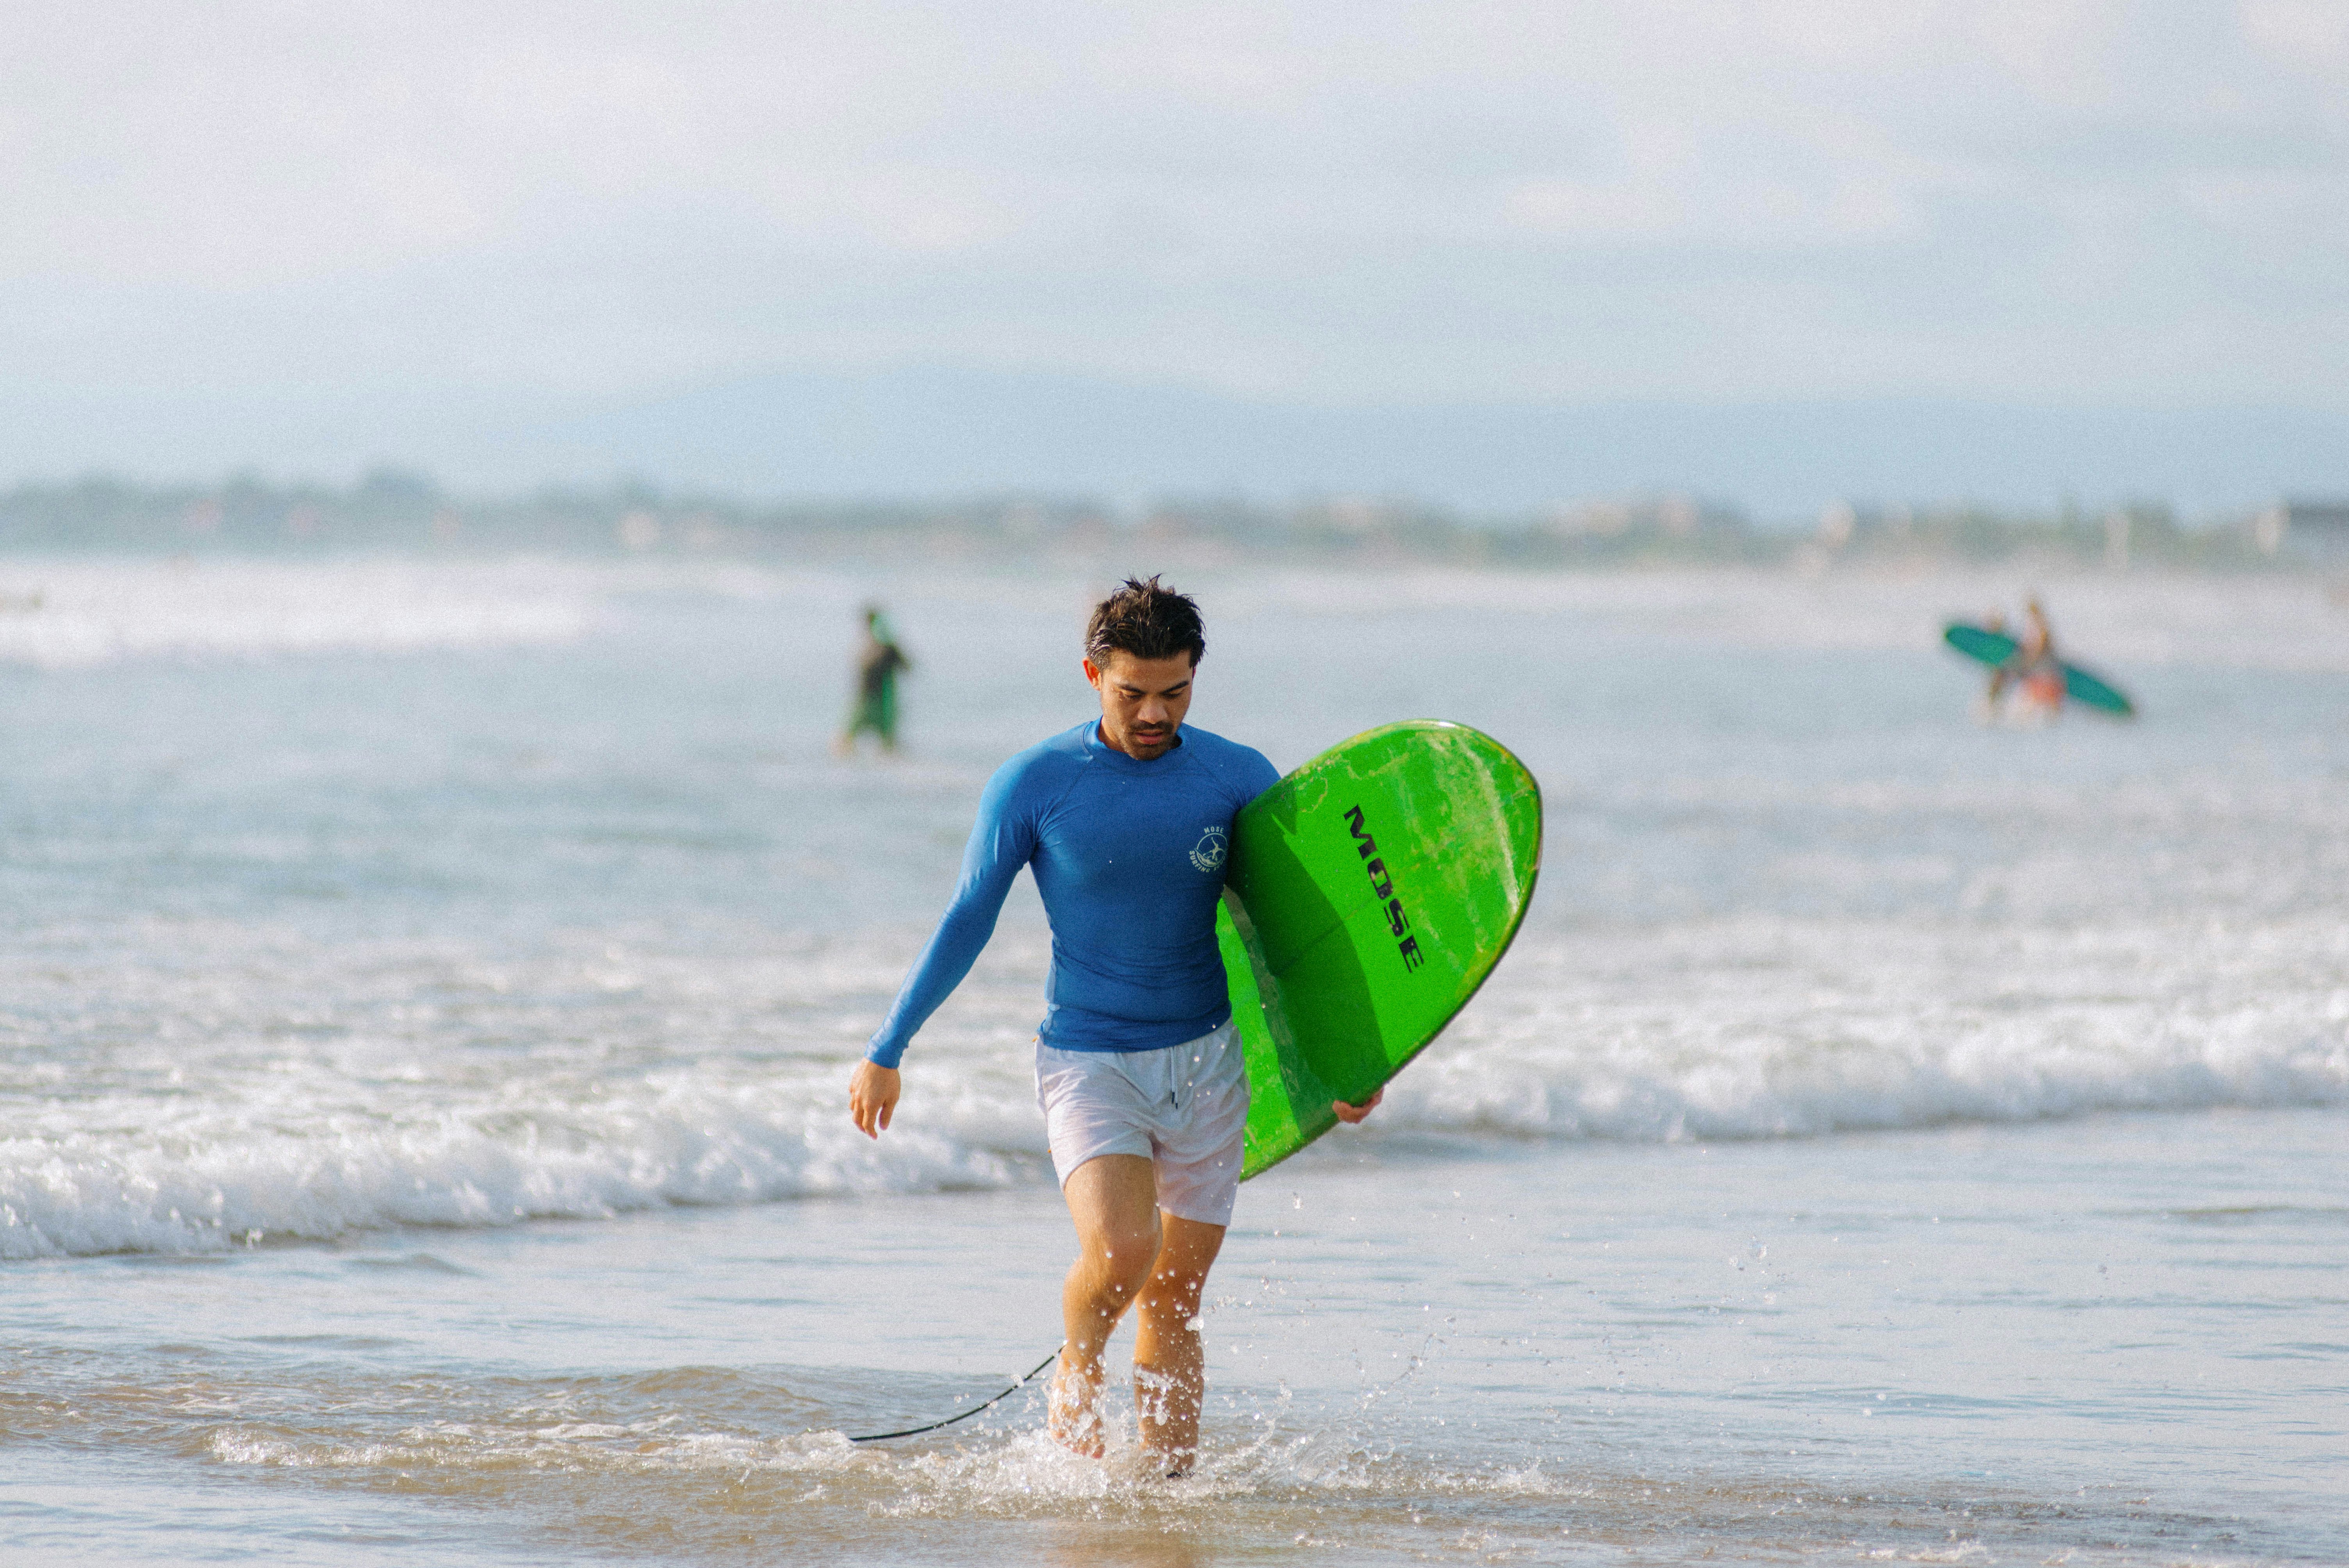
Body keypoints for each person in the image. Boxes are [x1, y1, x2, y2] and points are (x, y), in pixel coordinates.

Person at [846, 576, 1380, 1475]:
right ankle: (1078, 1359)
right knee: (1126, 1248)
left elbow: (1297, 933)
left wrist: (1348, 1055)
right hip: (1088, 1058)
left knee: (1175, 1295)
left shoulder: (1235, 775)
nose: (1153, 712)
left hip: (1208, 1058)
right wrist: (887, 1047)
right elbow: (967, 914)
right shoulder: (1036, 782)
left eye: (1173, 692)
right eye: (1131, 692)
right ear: (1092, 673)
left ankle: (1165, 1492)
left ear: (1194, 679)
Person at [835, 604, 911, 755]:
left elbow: (906, 667)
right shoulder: (882, 646)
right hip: (877, 700)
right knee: (886, 745)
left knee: (847, 742)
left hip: (876, 700)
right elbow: (906, 667)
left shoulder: (880, 647)